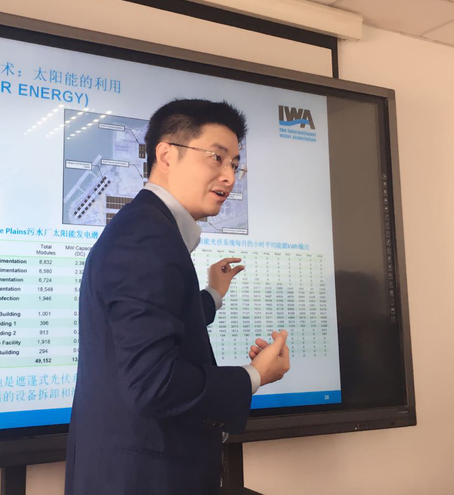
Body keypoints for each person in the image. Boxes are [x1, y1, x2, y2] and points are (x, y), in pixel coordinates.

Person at [64, 99, 291, 495]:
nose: (229, 177)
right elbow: (154, 384)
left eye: (235, 164)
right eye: (216, 158)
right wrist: (254, 375)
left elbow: (158, 319)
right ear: (167, 155)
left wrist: (213, 295)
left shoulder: (146, 228)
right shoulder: (147, 239)